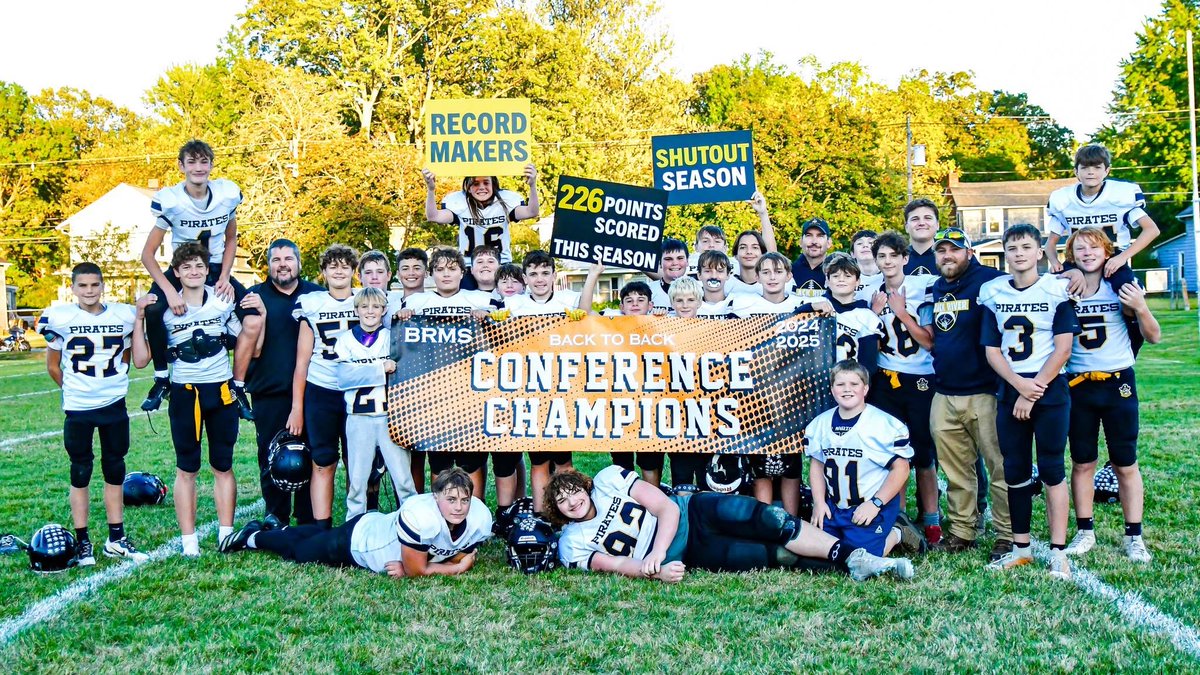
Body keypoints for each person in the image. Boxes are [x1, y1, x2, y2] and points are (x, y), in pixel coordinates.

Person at [545, 465, 913, 581]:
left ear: (584, 486)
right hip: (687, 551)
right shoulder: (571, 541)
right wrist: (652, 570)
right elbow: (613, 564)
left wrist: (655, 553)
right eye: (562, 501)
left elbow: (666, 509)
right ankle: (856, 566)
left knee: (772, 519)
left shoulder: (608, 479)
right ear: (557, 510)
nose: (572, 502)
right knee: (774, 557)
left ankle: (857, 557)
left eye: (573, 492)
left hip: (692, 511)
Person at [980, 224, 1080, 578]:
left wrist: (1033, 388)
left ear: (1039, 252)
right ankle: (1021, 548)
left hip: (1049, 388)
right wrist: (1019, 387)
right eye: (1012, 248)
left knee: (1052, 469)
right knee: (1015, 470)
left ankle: (1058, 551)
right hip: (1012, 387)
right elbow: (992, 350)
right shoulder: (994, 293)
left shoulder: (1056, 289)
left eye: (1026, 247)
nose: (1019, 253)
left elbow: (1063, 348)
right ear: (1005, 254)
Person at [131, 243, 242, 557]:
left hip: (220, 390)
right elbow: (141, 359)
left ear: (208, 270)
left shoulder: (222, 299)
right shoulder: (165, 309)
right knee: (187, 468)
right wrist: (140, 317)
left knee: (223, 465)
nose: (194, 272)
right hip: (185, 393)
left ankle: (226, 533)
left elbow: (247, 338)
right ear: (176, 273)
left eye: (199, 266)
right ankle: (189, 541)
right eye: (187, 267)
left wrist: (255, 315)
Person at [138, 140, 262, 420]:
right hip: (183, 269)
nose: (198, 167)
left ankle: (238, 385)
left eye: (204, 161)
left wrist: (226, 276)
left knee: (253, 317)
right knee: (155, 309)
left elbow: (231, 239)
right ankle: (161, 378)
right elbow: (147, 255)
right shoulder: (171, 200)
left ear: (211, 165)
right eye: (191, 162)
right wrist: (171, 291)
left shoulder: (226, 195)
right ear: (181, 166)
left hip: (215, 267)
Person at [36, 263, 150, 564]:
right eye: (83, 285)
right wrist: (76, 389)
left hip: (113, 403)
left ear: (103, 286)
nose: (89, 291)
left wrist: (109, 382)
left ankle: (116, 538)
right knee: (80, 472)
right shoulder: (59, 317)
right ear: (73, 287)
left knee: (115, 470)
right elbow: (53, 366)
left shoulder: (123, 315)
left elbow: (126, 355)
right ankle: (83, 541)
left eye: (94, 285)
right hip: (79, 408)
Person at [1062, 227, 1160, 563]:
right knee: (1082, 462)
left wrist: (1141, 307)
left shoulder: (1120, 285)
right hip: (1078, 384)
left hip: (1118, 384)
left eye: (1094, 247)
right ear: (1071, 255)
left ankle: (1134, 535)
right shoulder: (1063, 286)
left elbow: (1154, 336)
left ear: (1107, 252)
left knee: (1125, 462)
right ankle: (1085, 530)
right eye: (1080, 248)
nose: (1087, 253)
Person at [221, 468, 491, 577]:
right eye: (451, 499)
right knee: (300, 552)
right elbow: (418, 570)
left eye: (464, 500)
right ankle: (252, 537)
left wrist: (422, 565)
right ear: (435, 497)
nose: (458, 507)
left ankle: (279, 529)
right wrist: (456, 568)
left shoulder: (478, 517)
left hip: (376, 528)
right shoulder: (421, 515)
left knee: (316, 538)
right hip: (358, 542)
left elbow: (455, 553)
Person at [928, 228, 1013, 561]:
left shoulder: (991, 280)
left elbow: (1028, 283)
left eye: (954, 249)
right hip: (945, 390)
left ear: (970, 252)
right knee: (956, 470)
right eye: (941, 250)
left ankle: (1007, 534)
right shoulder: (938, 286)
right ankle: (963, 530)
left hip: (985, 391)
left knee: (1000, 467)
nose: (947, 255)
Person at [397, 247, 493, 495]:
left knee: (471, 460)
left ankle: (476, 510)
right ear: (431, 275)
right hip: (433, 391)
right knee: (439, 460)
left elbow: (499, 334)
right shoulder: (418, 302)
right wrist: (404, 316)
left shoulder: (480, 299)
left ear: (463, 272)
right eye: (439, 270)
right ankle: (439, 508)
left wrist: (486, 316)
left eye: (452, 269)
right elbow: (406, 341)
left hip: (470, 391)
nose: (446, 274)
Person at [866, 231, 941, 543]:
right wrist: (872, 314)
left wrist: (901, 312)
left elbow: (929, 341)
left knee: (924, 453)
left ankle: (932, 520)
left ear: (905, 258)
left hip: (920, 378)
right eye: (881, 256)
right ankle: (897, 517)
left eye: (893, 256)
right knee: (891, 453)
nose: (887, 261)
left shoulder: (922, 287)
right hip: (886, 380)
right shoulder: (871, 291)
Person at [245, 239, 323, 526]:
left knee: (309, 454)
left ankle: (307, 517)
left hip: (312, 390)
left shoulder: (317, 296)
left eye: (288, 259)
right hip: (269, 390)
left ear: (298, 263)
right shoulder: (255, 296)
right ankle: (276, 515)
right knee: (271, 454)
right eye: (276, 260)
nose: (283, 265)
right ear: (268, 265)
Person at [806, 361, 916, 556]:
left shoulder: (883, 424)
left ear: (865, 388)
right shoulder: (820, 424)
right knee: (822, 552)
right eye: (840, 384)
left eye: (854, 384)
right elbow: (817, 466)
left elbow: (902, 469)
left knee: (864, 557)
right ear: (832, 389)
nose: (847, 389)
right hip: (835, 506)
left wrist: (875, 504)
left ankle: (899, 530)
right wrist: (819, 502)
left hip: (872, 504)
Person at [729, 252, 807, 515]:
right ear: (758, 276)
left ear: (789, 275)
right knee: (760, 461)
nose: (772, 277)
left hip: (791, 394)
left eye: (778, 271)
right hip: (757, 394)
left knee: (791, 461)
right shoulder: (743, 306)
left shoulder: (802, 305)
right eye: (766, 272)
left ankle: (793, 521)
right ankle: (765, 522)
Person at [289, 244, 361, 528]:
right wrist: (297, 408)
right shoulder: (312, 303)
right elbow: (302, 362)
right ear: (323, 272)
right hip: (322, 388)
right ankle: (322, 526)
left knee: (359, 462)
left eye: (345, 266)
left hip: (359, 390)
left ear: (354, 271)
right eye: (333, 266)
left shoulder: (368, 299)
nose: (339, 271)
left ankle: (357, 523)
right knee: (323, 459)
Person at [335, 287, 417, 519]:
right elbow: (344, 378)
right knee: (357, 481)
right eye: (364, 306)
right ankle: (354, 527)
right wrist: (380, 368)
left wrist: (363, 370)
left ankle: (411, 524)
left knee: (403, 480)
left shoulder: (393, 338)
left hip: (391, 418)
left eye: (375, 307)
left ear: (384, 310)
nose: (370, 311)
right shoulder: (345, 340)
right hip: (359, 418)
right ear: (356, 310)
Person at [1045, 144, 1159, 276]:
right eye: (1085, 167)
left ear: (1107, 170)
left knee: (1126, 287)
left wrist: (1122, 257)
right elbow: (1050, 243)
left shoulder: (1121, 195)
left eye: (1097, 167)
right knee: (1057, 284)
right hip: (1079, 262)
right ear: (1076, 171)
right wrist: (1054, 262)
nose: (1091, 172)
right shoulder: (1063, 200)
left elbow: (1152, 230)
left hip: (1114, 260)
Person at [423, 164, 540, 266]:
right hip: (469, 265)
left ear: (493, 185)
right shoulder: (461, 203)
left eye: (486, 183)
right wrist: (431, 189)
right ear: (468, 188)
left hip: (500, 263)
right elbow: (433, 216)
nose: (482, 187)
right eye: (475, 184)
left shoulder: (504, 202)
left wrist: (532, 185)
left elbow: (532, 212)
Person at [805, 253, 883, 375]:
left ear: (857, 281)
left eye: (847, 276)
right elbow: (787, 327)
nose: (841, 279)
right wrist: (810, 307)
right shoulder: (812, 304)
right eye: (835, 276)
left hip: (848, 381)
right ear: (827, 281)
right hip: (814, 379)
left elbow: (868, 364)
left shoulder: (867, 317)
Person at [790, 218, 832, 299]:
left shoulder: (836, 271)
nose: (814, 241)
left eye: (820, 236)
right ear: (800, 241)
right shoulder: (789, 271)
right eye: (809, 236)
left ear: (829, 242)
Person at [649, 239, 691, 313]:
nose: (675, 263)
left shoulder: (700, 290)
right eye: (668, 259)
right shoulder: (648, 291)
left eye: (680, 258)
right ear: (660, 263)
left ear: (687, 261)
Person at [902, 199, 939, 275]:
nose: (921, 223)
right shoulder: (897, 259)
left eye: (928, 218)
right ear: (906, 227)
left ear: (937, 225)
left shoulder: (948, 258)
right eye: (915, 219)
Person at [850, 230, 881, 294]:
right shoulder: (846, 280)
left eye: (870, 242)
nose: (865, 246)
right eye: (859, 243)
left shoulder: (890, 276)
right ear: (852, 254)